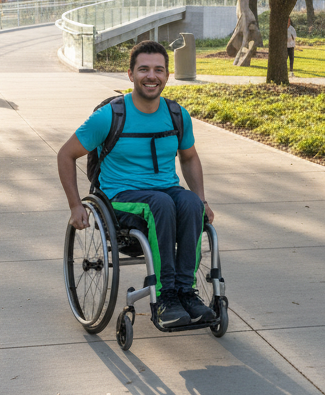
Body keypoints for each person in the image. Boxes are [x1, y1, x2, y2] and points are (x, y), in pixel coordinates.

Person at [56, 41, 215, 329]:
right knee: (161, 204)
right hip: (120, 197)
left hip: (165, 192)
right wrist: (74, 205)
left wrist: (201, 198)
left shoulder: (177, 115)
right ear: (130, 74)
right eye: (143, 69)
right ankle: (165, 297)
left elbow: (189, 158)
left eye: (158, 70)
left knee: (191, 203)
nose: (151, 76)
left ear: (167, 76)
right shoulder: (110, 116)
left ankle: (186, 293)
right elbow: (66, 155)